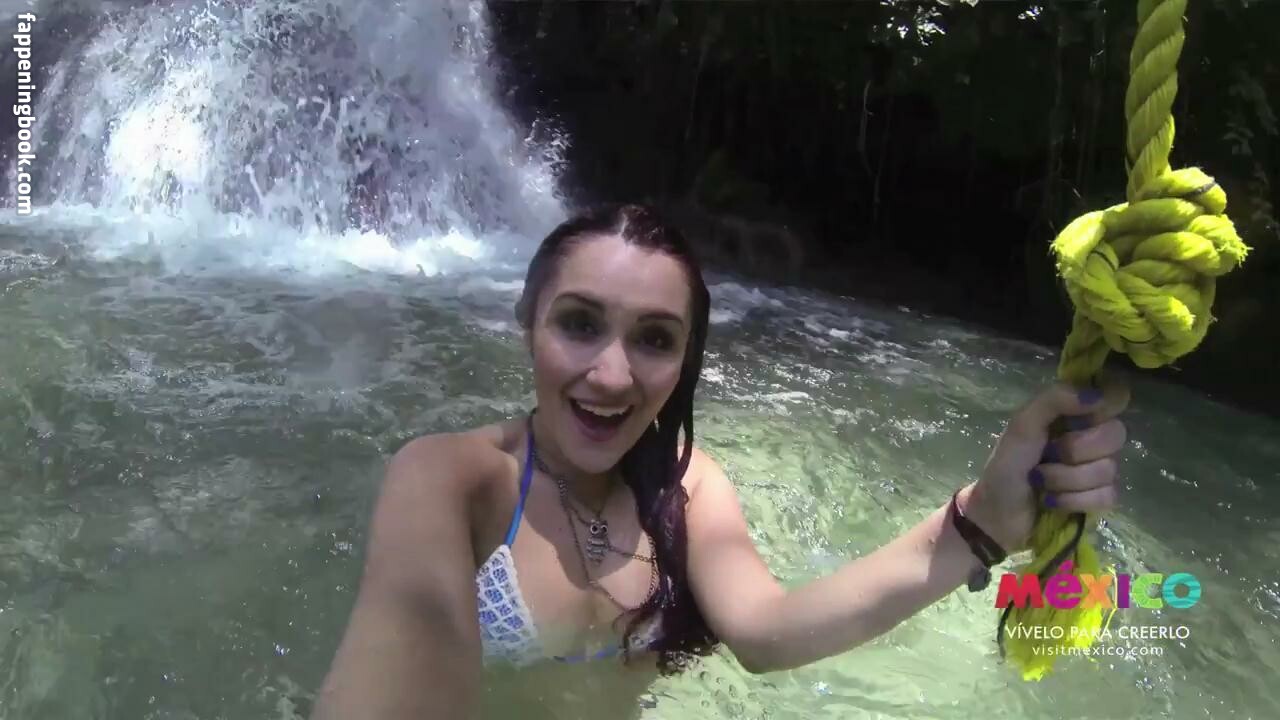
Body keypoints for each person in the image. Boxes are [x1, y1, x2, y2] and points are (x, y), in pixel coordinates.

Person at [311, 203, 1129, 719]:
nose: (612, 375)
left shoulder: (686, 484)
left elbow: (767, 633)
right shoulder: (450, 480)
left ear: (686, 360)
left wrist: (982, 520)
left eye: (654, 339)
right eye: (580, 324)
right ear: (528, 323)